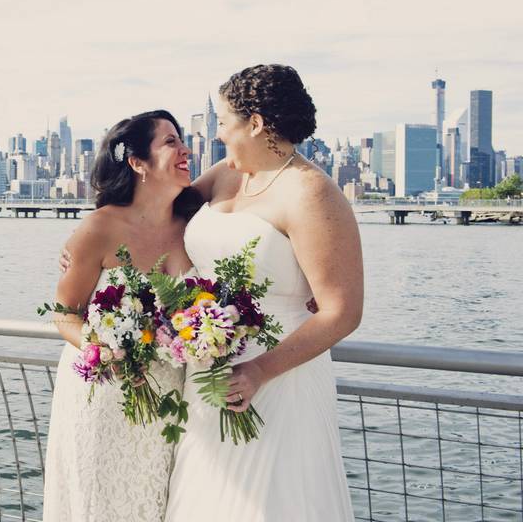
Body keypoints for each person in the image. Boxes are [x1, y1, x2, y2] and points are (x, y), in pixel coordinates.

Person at [165, 64, 361, 520]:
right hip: (208, 373)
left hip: (278, 379)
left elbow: (342, 310)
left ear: (254, 123)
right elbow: (158, 221)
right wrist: (95, 243)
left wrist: (259, 370)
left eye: (223, 122)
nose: (217, 135)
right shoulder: (224, 175)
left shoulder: (312, 193)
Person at [43, 110, 200, 522]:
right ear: (137, 163)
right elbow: (63, 314)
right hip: (106, 393)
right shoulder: (100, 227)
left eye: (181, 139)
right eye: (170, 142)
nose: (185, 149)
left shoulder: (198, 224)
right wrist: (101, 348)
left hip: (171, 400)